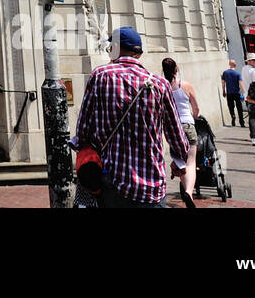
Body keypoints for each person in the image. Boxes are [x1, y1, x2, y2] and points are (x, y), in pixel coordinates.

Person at [72, 27, 190, 207]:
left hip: (113, 182)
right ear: (139, 54)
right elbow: (176, 134)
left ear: (116, 48)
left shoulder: (100, 76)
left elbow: (82, 131)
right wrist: (179, 159)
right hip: (152, 186)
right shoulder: (160, 84)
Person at [163, 58, 199, 207]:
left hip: (172, 128)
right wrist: (194, 117)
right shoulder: (185, 85)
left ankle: (185, 188)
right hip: (187, 125)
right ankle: (189, 192)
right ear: (176, 69)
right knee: (191, 162)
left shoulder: (163, 87)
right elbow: (196, 108)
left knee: (180, 161)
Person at [241, 53, 255, 145]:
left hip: (247, 96)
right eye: (254, 60)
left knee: (252, 117)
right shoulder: (254, 71)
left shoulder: (244, 69)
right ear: (249, 61)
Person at [221, 59, 244, 127]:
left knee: (231, 106)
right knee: (239, 108)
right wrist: (242, 93)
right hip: (237, 93)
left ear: (229, 64)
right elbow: (241, 84)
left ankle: (233, 116)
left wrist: (223, 91)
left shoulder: (225, 73)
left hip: (229, 93)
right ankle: (241, 122)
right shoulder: (237, 74)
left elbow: (223, 82)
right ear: (235, 65)